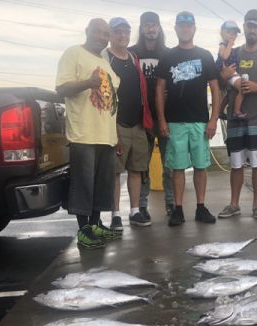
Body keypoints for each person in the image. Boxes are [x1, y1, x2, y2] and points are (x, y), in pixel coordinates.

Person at [56, 18, 120, 249]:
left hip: (106, 134)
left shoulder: (104, 60)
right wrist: (88, 83)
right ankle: (83, 230)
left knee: (102, 185)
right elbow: (61, 88)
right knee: (83, 184)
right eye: (97, 32)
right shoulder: (73, 53)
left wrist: (117, 134)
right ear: (87, 31)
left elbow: (113, 99)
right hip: (83, 133)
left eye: (105, 33)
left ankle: (95, 224)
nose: (102, 37)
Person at [156, 11, 220, 226]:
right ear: (175, 28)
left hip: (200, 121)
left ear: (194, 28)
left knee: (201, 166)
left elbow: (216, 89)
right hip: (174, 121)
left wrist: (213, 120)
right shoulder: (168, 56)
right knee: (177, 167)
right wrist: (162, 120)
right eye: (181, 25)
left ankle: (201, 207)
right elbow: (159, 89)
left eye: (188, 25)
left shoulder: (205, 55)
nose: (185, 28)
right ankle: (178, 208)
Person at [218, 9, 257, 219]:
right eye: (248, 25)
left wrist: (256, 87)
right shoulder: (234, 52)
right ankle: (234, 204)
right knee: (235, 162)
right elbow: (220, 80)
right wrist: (224, 76)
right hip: (235, 119)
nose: (252, 29)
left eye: (255, 25)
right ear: (243, 27)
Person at [103, 17, 153, 231]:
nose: (123, 35)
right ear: (110, 35)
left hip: (138, 123)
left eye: (126, 31)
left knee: (136, 169)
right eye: (118, 31)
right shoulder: (105, 58)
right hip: (117, 124)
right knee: (115, 171)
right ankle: (115, 215)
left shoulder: (133, 57)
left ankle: (135, 211)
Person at [129, 11, 175, 218]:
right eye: (147, 25)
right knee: (141, 165)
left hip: (166, 117)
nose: (150, 29)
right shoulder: (131, 53)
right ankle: (141, 206)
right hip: (141, 119)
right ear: (141, 28)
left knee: (170, 163)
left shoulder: (168, 54)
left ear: (159, 28)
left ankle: (171, 203)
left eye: (154, 25)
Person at [217, 20, 245, 119]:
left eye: (234, 33)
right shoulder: (223, 45)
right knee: (243, 87)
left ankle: (220, 112)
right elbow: (224, 56)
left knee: (228, 95)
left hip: (232, 74)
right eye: (228, 32)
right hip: (230, 74)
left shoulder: (231, 48)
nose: (232, 35)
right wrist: (229, 44)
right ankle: (237, 111)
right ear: (222, 33)